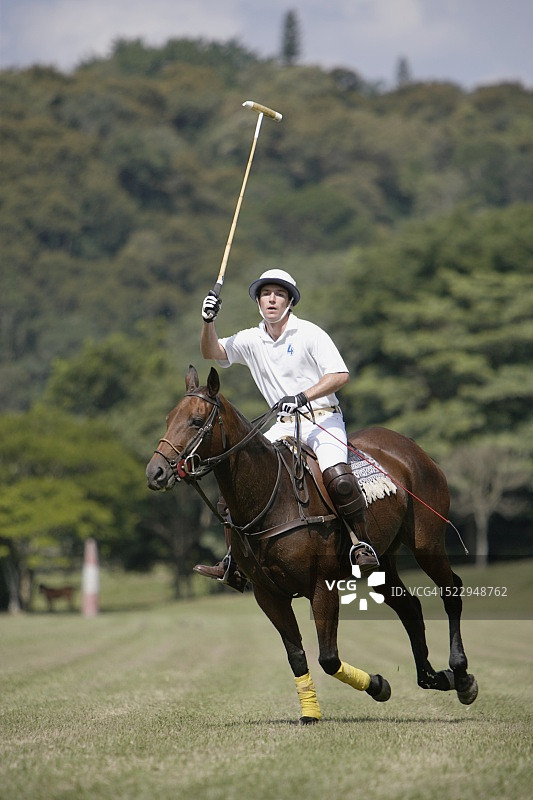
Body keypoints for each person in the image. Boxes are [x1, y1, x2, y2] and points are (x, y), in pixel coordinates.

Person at [194, 268, 379, 588]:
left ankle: (361, 544)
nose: (272, 299)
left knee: (339, 477)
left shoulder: (310, 333)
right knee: (235, 482)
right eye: (266, 294)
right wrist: (208, 321)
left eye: (279, 294)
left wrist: (303, 396)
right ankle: (232, 562)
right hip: (282, 425)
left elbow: (339, 375)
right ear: (258, 301)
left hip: (322, 417)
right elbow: (212, 352)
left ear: (290, 301)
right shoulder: (251, 339)